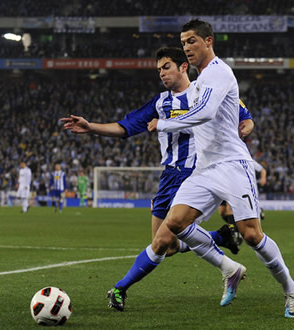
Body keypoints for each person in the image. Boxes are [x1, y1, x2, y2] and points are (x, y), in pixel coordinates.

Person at [62, 46, 252, 310]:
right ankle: (221, 237)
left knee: (162, 239)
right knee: (168, 246)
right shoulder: (159, 103)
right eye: (158, 69)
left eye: (166, 67)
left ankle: (119, 289)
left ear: (183, 66)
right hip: (168, 176)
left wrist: (245, 127)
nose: (161, 73)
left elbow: (244, 114)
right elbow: (124, 127)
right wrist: (90, 126)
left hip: (195, 175)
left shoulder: (204, 90)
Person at [144, 19, 294, 318]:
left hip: (231, 165)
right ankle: (228, 268)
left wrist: (164, 123)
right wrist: (246, 116)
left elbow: (204, 112)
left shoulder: (219, 71)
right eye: (184, 42)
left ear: (209, 41)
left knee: (253, 235)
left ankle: (291, 289)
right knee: (174, 225)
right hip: (204, 169)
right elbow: (224, 106)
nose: (187, 47)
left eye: (192, 41)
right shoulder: (200, 80)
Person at [220, 159, 267, 245]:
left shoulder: (247, 159)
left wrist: (263, 178)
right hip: (223, 185)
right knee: (222, 212)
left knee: (231, 208)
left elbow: (262, 170)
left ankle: (235, 233)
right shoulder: (223, 157)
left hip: (239, 188)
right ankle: (257, 212)